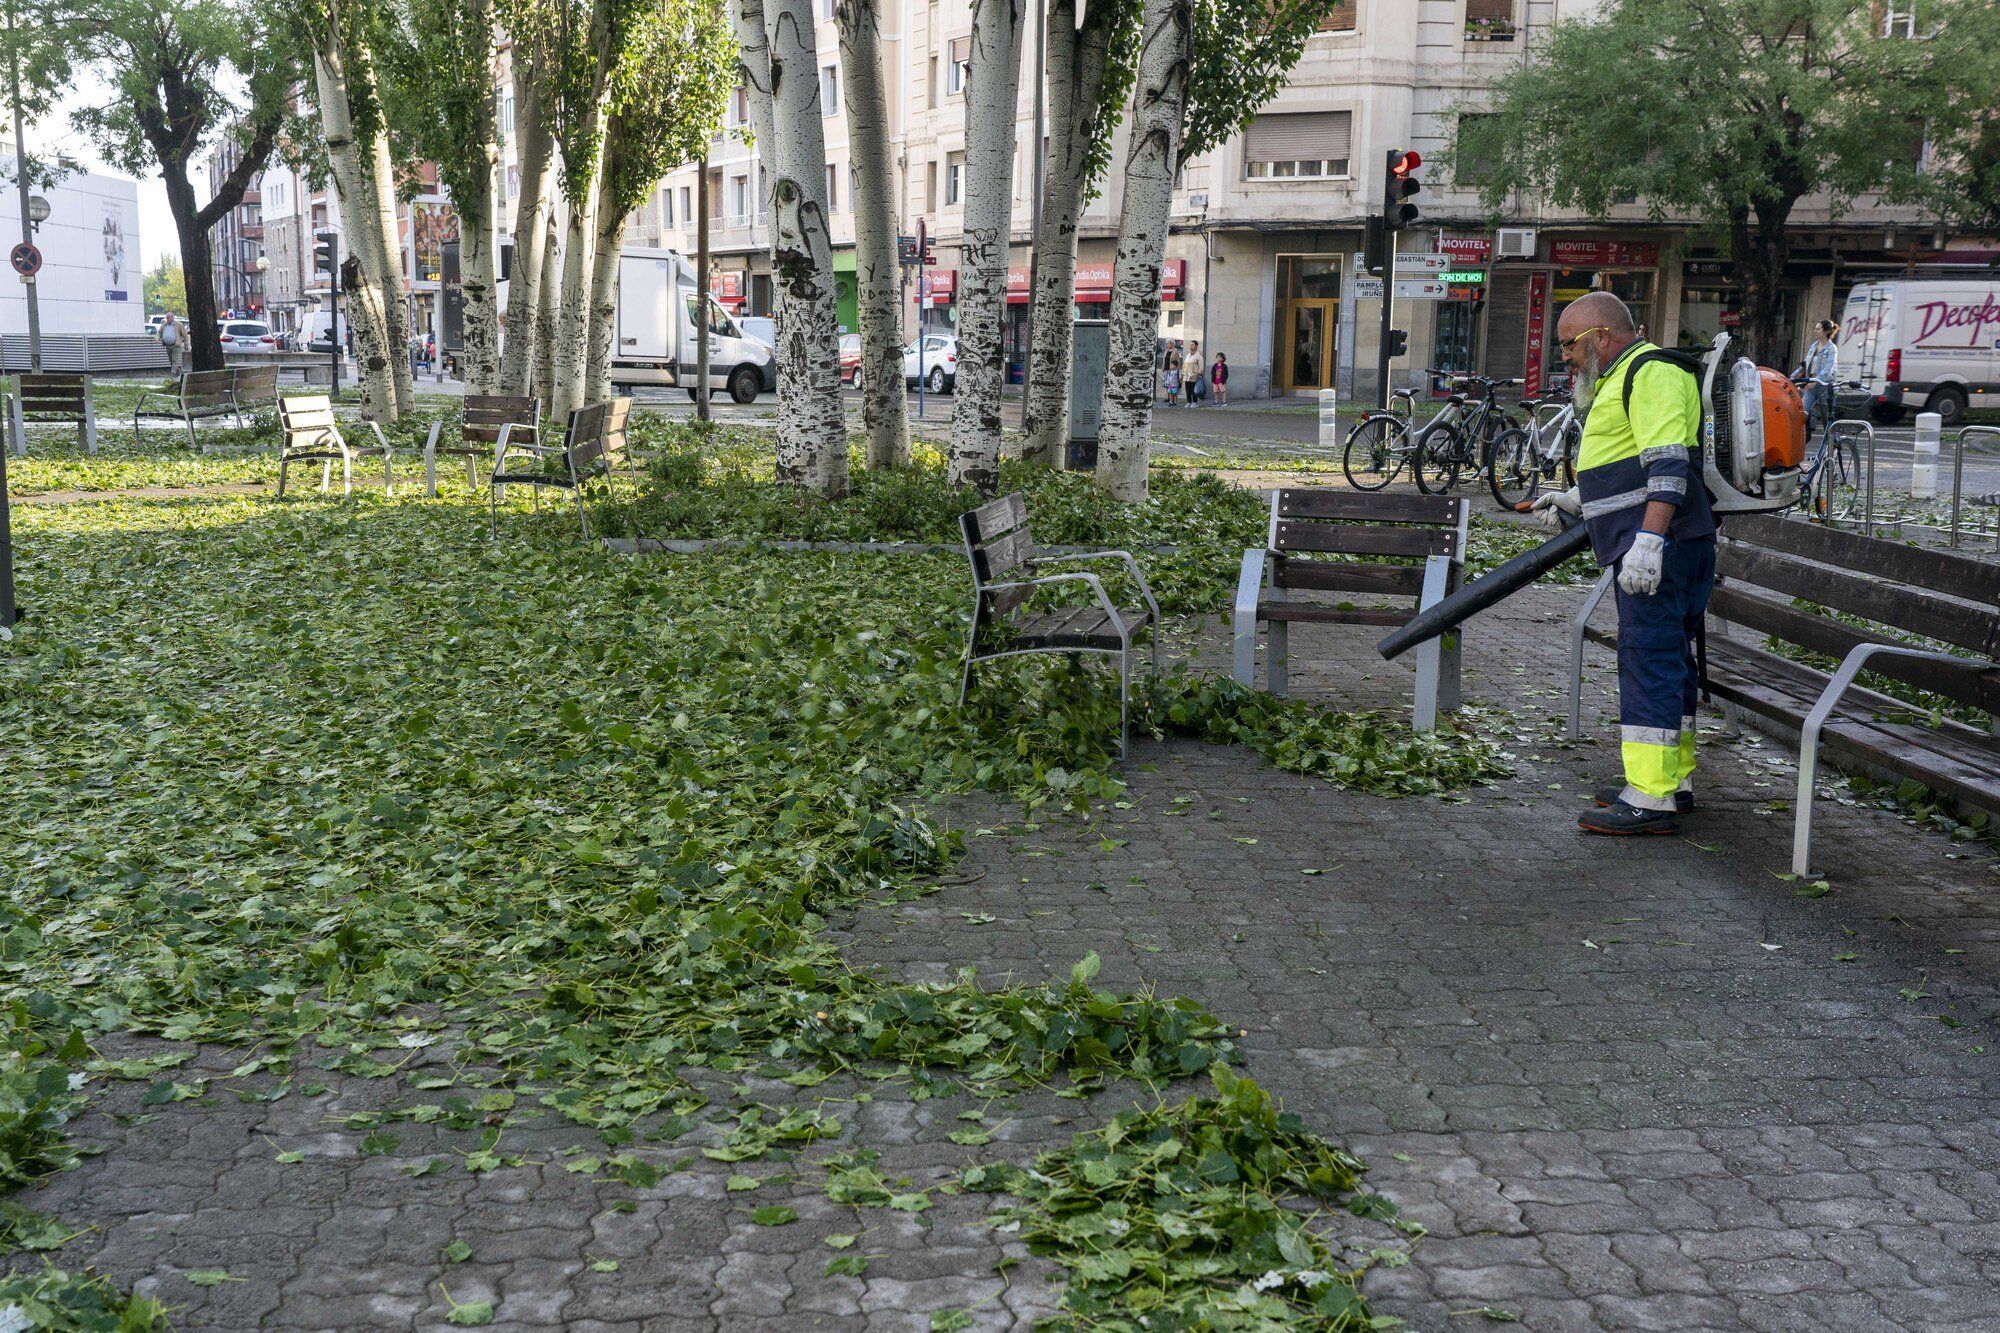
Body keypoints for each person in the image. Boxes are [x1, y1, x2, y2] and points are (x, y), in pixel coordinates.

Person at [1531, 291, 1716, 836]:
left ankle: (1650, 798)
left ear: (1601, 336)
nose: (1565, 356)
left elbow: (1667, 467)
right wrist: (1580, 499)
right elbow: (1628, 463)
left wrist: (1649, 542)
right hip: (1666, 543)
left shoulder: (1650, 372)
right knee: (1668, 659)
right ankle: (1671, 782)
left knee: (1649, 659)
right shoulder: (1624, 375)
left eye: (1569, 344)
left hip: (1661, 548)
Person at [1799, 319, 1838, 432]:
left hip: (1825, 387)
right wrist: (1794, 377)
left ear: (1825, 331)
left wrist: (1816, 381)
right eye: (1815, 329)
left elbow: (1829, 369)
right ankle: (1802, 438)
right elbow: (1805, 364)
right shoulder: (1813, 346)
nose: (1815, 331)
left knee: (1827, 419)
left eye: (1818, 329)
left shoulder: (1832, 348)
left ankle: (1832, 441)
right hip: (1811, 387)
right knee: (1801, 413)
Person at [1182, 341, 1202, 407]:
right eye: (1190, 345)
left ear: (1196, 346)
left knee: (1194, 389)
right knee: (1188, 389)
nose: (1190, 346)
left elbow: (1201, 366)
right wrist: (1183, 373)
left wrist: (1198, 374)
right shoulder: (1188, 355)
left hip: (1194, 375)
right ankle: (1188, 402)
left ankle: (1194, 402)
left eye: (1192, 345)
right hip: (1187, 375)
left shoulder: (1199, 356)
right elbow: (1185, 364)